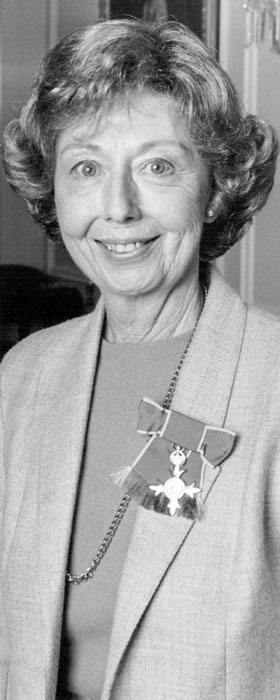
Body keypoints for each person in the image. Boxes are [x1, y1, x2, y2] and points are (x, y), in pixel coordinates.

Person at [0, 17, 280, 700]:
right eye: (87, 168)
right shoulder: (22, 378)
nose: (118, 208)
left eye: (158, 166)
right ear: (53, 191)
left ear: (214, 186)